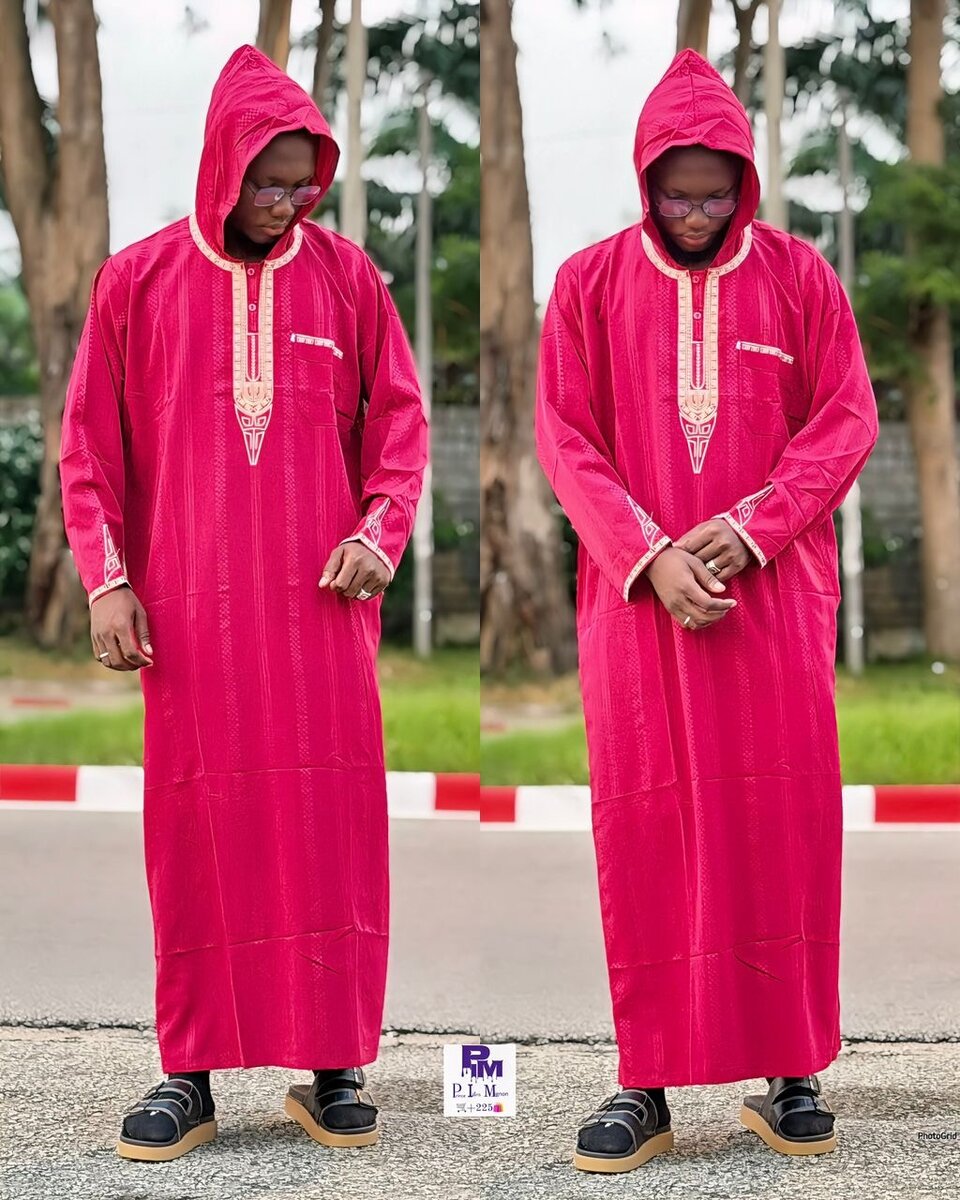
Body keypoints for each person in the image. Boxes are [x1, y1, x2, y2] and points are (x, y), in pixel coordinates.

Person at [60, 45, 427, 1162]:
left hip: (321, 621)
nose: (285, 203)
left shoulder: (350, 280)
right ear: (222, 168)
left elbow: (400, 430)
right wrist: (108, 581)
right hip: (192, 619)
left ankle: (333, 1065)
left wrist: (377, 534)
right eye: (266, 182)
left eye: (302, 184)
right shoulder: (136, 283)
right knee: (199, 835)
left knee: (327, 828)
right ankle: (191, 1072)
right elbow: (89, 451)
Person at [535, 49, 878, 1173]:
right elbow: (566, 438)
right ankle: (646, 1080)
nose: (695, 216)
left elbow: (846, 418)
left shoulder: (800, 278)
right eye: (677, 196)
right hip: (638, 610)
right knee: (648, 830)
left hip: (770, 604)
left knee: (780, 825)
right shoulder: (587, 285)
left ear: (744, 183)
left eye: (715, 196)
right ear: (645, 181)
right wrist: (648, 554)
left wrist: (756, 525)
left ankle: (792, 1072)